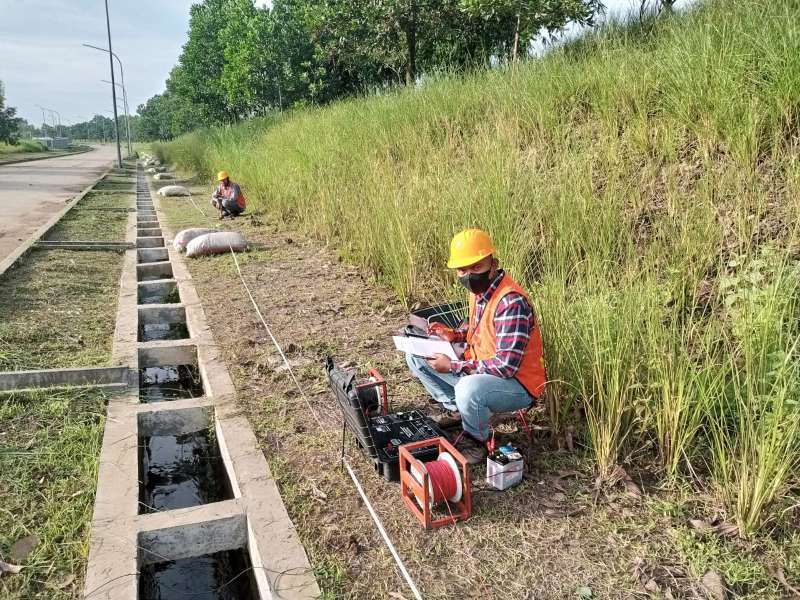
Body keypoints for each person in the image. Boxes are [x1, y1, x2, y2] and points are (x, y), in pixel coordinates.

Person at [406, 229, 546, 464]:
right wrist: (454, 335)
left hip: (518, 384)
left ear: (493, 264)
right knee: (416, 356)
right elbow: (480, 331)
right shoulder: (480, 292)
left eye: (477, 267)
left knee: (468, 389)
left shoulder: (511, 302)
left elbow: (505, 367)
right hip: (481, 371)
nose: (469, 275)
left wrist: (453, 365)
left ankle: (477, 440)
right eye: (463, 270)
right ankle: (459, 411)